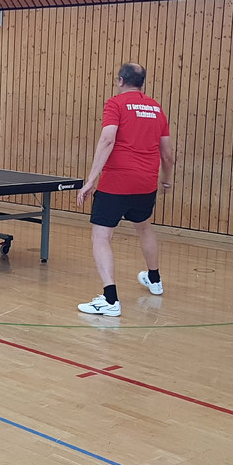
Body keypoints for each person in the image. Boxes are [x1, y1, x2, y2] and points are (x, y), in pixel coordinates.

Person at [76, 63, 175, 317]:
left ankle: (110, 300)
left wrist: (90, 180)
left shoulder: (115, 104)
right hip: (146, 183)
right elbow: (167, 154)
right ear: (142, 82)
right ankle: (155, 279)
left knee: (101, 236)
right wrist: (166, 180)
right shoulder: (156, 109)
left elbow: (108, 139)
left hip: (117, 182)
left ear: (120, 80)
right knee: (144, 226)